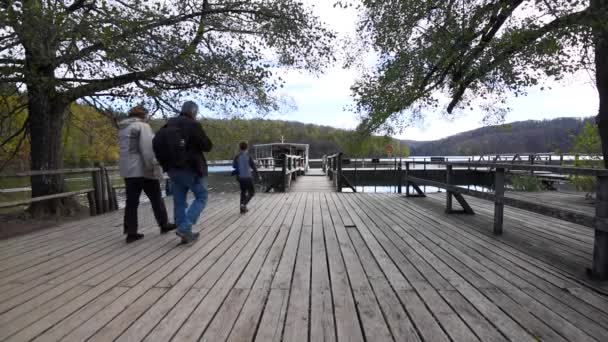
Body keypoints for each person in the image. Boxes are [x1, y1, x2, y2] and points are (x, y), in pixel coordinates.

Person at [154, 101, 213, 244]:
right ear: (193, 112)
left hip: (172, 170)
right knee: (202, 196)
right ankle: (185, 228)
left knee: (179, 201)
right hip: (190, 168)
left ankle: (183, 231)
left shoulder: (167, 126)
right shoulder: (192, 125)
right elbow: (207, 146)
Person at [118, 105, 176, 243]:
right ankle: (163, 224)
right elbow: (147, 149)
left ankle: (131, 232)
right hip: (142, 169)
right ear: (143, 115)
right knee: (156, 198)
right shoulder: (142, 126)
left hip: (128, 170)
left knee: (131, 202)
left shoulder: (123, 128)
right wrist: (152, 166)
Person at [232, 142, 259, 213]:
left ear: (239, 147)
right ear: (247, 148)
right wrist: (258, 175)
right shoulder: (248, 156)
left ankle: (242, 209)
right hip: (248, 177)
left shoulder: (237, 156)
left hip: (240, 177)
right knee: (252, 192)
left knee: (243, 192)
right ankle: (243, 204)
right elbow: (253, 166)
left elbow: (234, 166)